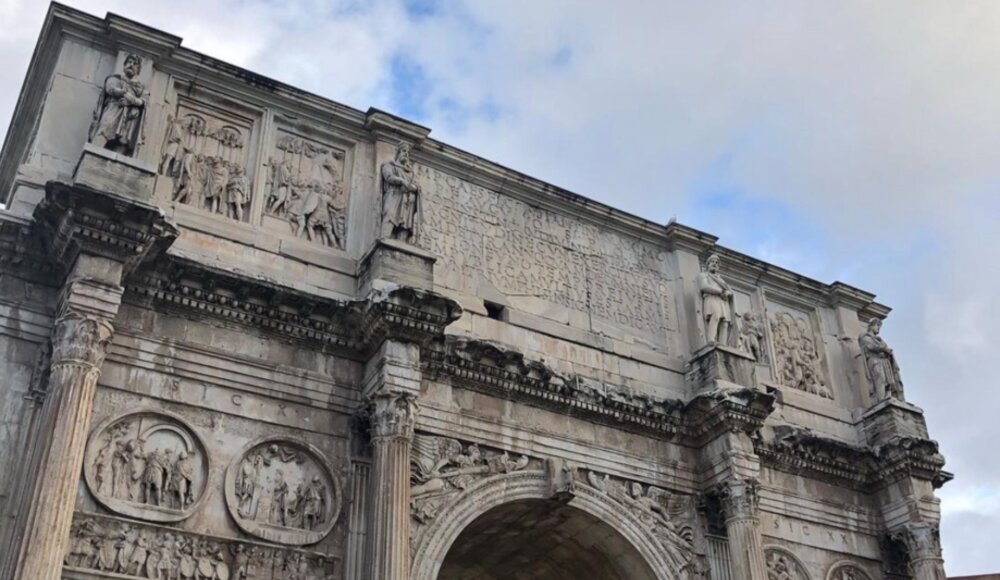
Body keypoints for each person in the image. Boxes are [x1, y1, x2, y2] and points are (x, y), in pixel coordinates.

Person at [89, 54, 145, 156]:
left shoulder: (139, 87)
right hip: (113, 109)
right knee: (104, 131)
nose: (131, 65)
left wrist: (130, 101)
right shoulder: (115, 78)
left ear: (138, 70)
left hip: (129, 117)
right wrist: (124, 93)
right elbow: (110, 89)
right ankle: (93, 154)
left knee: (123, 141)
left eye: (135, 64)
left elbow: (143, 101)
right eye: (129, 62)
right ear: (124, 66)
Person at [380, 142, 420, 243]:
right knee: (389, 215)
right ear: (398, 153)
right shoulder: (389, 165)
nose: (406, 154)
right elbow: (388, 177)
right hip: (393, 195)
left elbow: (416, 185)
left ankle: (401, 244)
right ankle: (384, 239)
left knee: (405, 225)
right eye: (403, 151)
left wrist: (414, 188)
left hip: (407, 201)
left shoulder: (409, 172)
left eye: (407, 152)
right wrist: (402, 181)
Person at [859, 318, 904, 401]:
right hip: (875, 360)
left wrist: (887, 351)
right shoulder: (866, 337)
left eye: (879, 327)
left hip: (884, 361)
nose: (878, 328)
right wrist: (884, 348)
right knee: (880, 378)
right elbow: (871, 346)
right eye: (877, 326)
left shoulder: (879, 339)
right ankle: (880, 399)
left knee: (889, 381)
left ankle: (888, 397)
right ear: (871, 326)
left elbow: (884, 347)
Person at [697, 254, 735, 346]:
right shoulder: (704, 275)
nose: (715, 264)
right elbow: (704, 286)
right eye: (712, 262)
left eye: (717, 263)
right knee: (716, 316)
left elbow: (729, 291)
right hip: (711, 298)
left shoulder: (721, 280)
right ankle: (711, 339)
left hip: (722, 301)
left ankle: (723, 344)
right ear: (708, 264)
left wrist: (727, 293)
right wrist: (720, 292)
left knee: (725, 322)